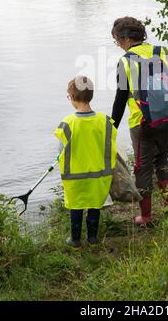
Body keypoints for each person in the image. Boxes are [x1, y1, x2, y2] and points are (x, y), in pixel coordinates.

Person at [111, 17, 168, 225]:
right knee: (161, 159)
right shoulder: (163, 52)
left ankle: (146, 216)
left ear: (125, 39)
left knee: (143, 167)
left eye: (117, 40)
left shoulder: (126, 61)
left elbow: (121, 99)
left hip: (141, 123)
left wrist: (112, 127)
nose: (118, 45)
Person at [54, 76, 117, 247]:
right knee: (94, 205)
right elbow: (111, 146)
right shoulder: (105, 121)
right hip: (99, 175)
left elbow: (61, 151)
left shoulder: (67, 123)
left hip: (74, 176)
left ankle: (75, 239)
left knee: (76, 206)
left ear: (72, 97)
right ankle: (93, 237)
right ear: (91, 96)